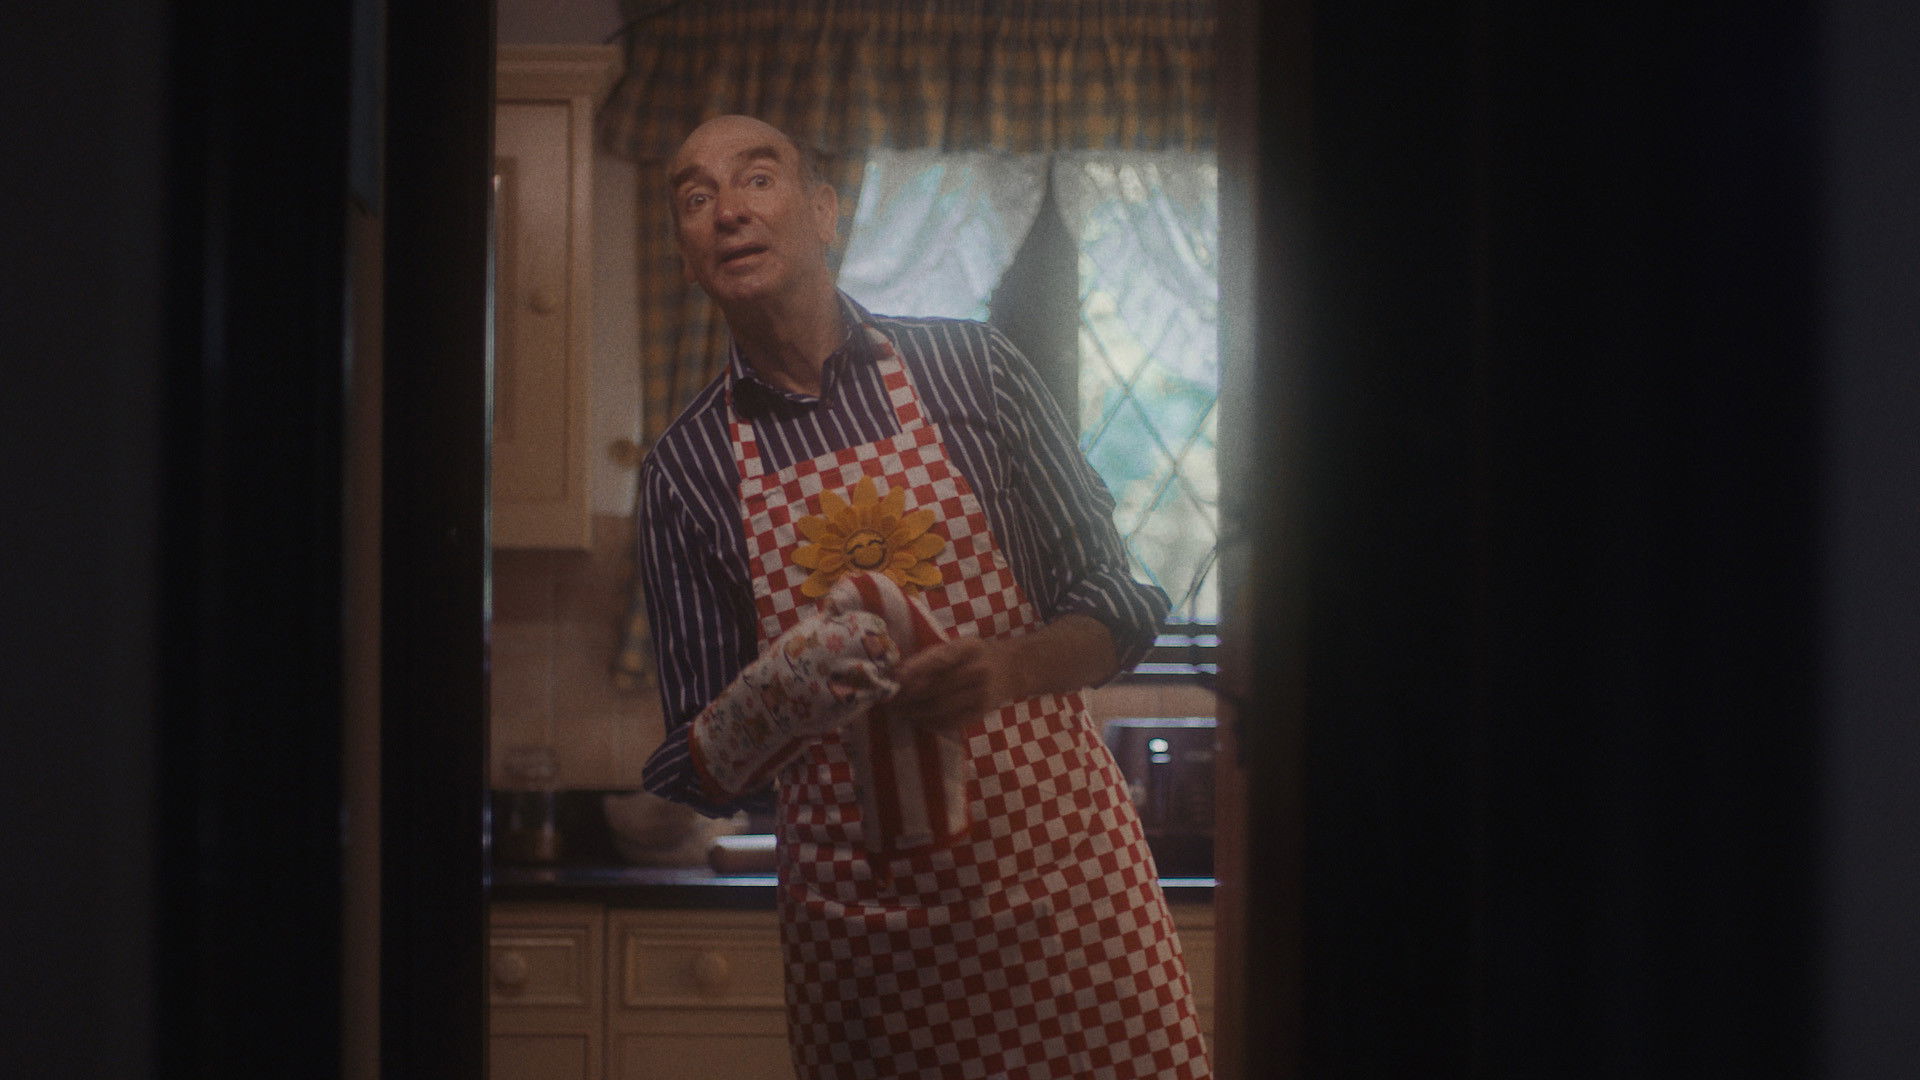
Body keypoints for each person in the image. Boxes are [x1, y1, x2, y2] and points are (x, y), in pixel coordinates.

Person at [635, 114, 1212, 1080]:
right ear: (689, 258)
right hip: (867, 942)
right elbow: (698, 764)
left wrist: (1007, 670)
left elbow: (1118, 598)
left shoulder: (974, 370)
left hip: (1069, 902)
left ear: (827, 213)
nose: (728, 209)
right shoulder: (686, 472)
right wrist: (783, 693)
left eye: (758, 178)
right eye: (696, 197)